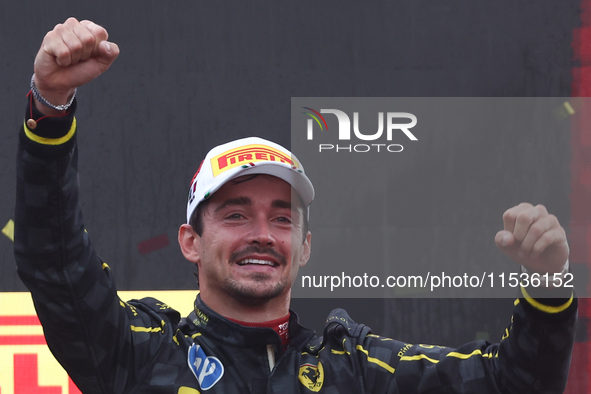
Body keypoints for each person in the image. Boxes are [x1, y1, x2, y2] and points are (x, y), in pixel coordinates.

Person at [14, 18, 576, 394]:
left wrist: (551, 285)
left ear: (304, 246)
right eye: (235, 214)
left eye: (282, 218)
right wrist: (51, 106)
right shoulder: (137, 353)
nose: (262, 233)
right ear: (191, 240)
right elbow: (54, 261)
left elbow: (514, 383)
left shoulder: (357, 368)